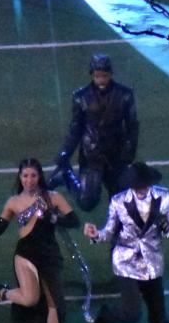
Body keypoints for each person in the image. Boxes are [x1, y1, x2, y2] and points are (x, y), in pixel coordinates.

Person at [84, 161, 169, 323]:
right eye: (137, 186)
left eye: (144, 185)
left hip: (152, 263)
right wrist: (95, 235)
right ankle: (105, 316)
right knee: (132, 313)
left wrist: (166, 227)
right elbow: (109, 232)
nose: (141, 189)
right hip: (126, 262)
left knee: (159, 318)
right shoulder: (119, 201)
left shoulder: (164, 197)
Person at [0, 158, 79, 323]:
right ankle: (4, 293)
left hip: (49, 254)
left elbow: (74, 220)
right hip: (26, 253)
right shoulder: (14, 202)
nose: (29, 180)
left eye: (33, 175)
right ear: (20, 177)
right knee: (30, 299)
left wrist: (55, 218)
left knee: (54, 304)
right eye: (25, 176)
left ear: (39, 176)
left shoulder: (53, 197)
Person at [50, 53, 140, 212]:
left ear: (110, 74)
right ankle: (66, 175)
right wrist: (65, 152)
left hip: (116, 154)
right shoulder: (81, 97)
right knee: (87, 202)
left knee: (123, 202)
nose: (101, 80)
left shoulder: (125, 94)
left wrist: (129, 150)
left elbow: (132, 125)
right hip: (92, 156)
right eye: (97, 76)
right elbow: (76, 127)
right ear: (92, 75)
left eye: (104, 76)